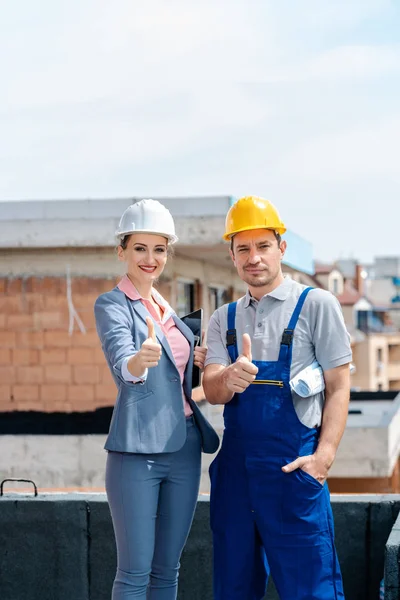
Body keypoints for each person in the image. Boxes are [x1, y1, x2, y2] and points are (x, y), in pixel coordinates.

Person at [203, 195, 351, 600]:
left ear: (281, 248)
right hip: (235, 476)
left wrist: (323, 459)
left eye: (263, 246)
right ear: (232, 256)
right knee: (234, 589)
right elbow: (212, 389)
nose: (254, 257)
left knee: (311, 591)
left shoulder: (316, 305)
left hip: (293, 473)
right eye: (243, 249)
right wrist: (230, 376)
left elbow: (339, 387)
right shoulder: (223, 319)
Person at [94, 199, 219, 600]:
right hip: (137, 454)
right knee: (134, 573)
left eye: (159, 249)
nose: (150, 258)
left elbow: (178, 374)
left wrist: (194, 359)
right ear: (122, 251)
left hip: (184, 448)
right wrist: (139, 361)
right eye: (140, 248)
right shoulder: (112, 304)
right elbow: (122, 361)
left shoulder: (167, 307)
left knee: (168, 571)